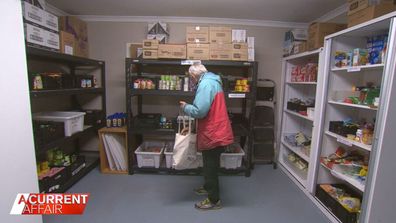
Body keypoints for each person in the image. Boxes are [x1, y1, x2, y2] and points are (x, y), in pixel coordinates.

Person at [180, 63, 234, 210]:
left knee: (210, 167)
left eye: (190, 77)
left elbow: (200, 111)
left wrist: (185, 107)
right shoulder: (213, 81)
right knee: (210, 163)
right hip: (216, 129)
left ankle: (214, 201)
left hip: (213, 133)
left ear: (193, 76)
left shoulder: (205, 85)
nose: (191, 80)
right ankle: (208, 186)